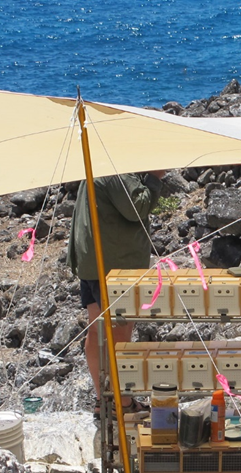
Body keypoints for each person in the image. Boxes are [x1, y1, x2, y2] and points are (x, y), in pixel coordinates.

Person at [67, 171, 165, 415]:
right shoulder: (115, 168)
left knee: (97, 329)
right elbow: (137, 207)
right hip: (114, 267)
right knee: (119, 334)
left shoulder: (96, 167)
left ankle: (104, 399)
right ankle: (121, 402)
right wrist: (154, 178)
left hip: (92, 262)